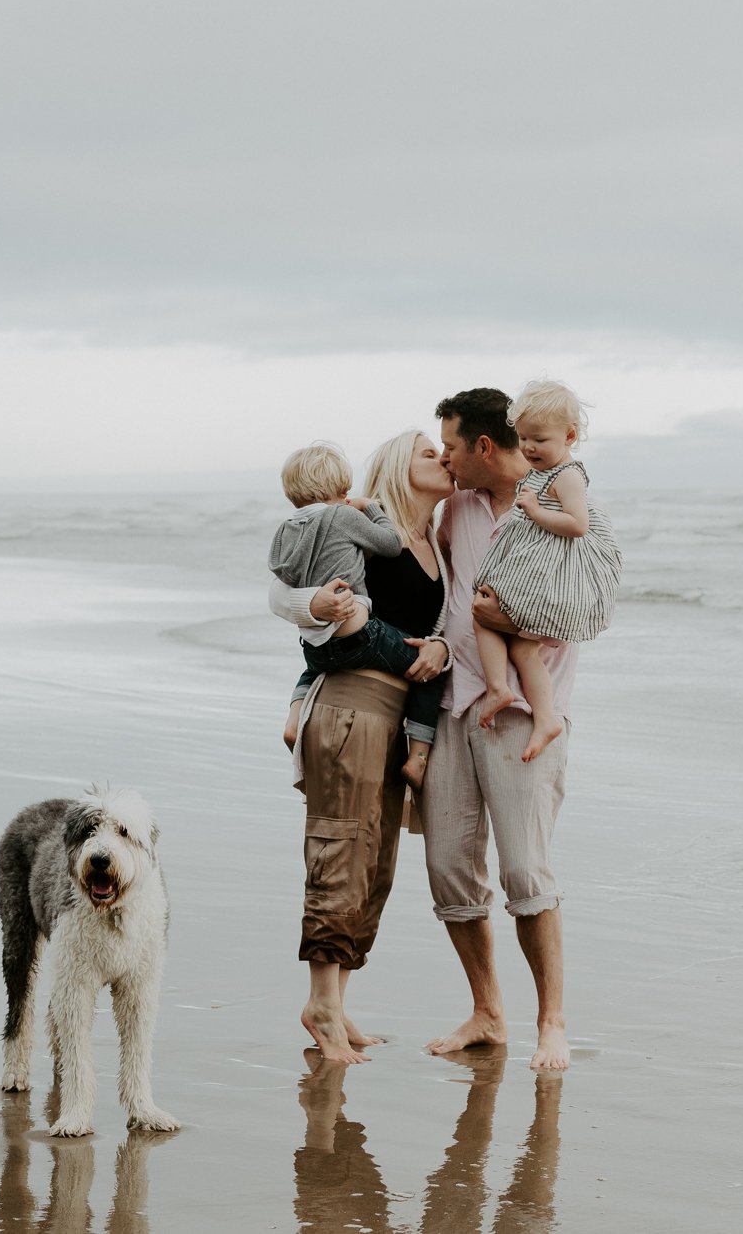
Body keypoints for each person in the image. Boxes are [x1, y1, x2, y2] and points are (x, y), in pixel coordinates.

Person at [268, 431, 455, 1064]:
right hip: (351, 706)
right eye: (430, 451)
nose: (444, 459)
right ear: (401, 467)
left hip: (395, 715)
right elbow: (298, 601)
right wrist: (300, 689)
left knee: (375, 863)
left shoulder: (439, 543)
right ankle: (321, 1003)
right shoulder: (362, 526)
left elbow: (441, 632)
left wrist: (441, 648)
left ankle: (335, 1005)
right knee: (341, 849)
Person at [422, 387, 584, 1071]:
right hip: (456, 703)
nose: (447, 458)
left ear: (484, 446)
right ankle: (489, 1010)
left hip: (522, 713)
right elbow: (443, 591)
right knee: (449, 869)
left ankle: (552, 1022)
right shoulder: (455, 510)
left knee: (524, 869)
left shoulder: (552, 499)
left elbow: (584, 602)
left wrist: (505, 625)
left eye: (453, 446)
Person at [270, 441, 443, 788]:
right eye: (429, 452)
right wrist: (374, 509)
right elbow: (390, 544)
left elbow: (279, 571)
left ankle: (293, 723)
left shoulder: (287, 529)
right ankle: (419, 756)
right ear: (342, 487)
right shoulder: (347, 516)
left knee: (315, 663)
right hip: (361, 642)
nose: (441, 457)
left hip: (316, 643)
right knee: (430, 667)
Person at [469, 379, 621, 763]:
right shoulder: (540, 471)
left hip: (548, 576)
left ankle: (510, 695)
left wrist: (536, 511)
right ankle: (537, 712)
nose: (529, 448)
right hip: (532, 566)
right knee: (518, 644)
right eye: (522, 438)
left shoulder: (568, 475)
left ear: (569, 436)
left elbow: (578, 524)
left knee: (490, 621)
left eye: (539, 439)